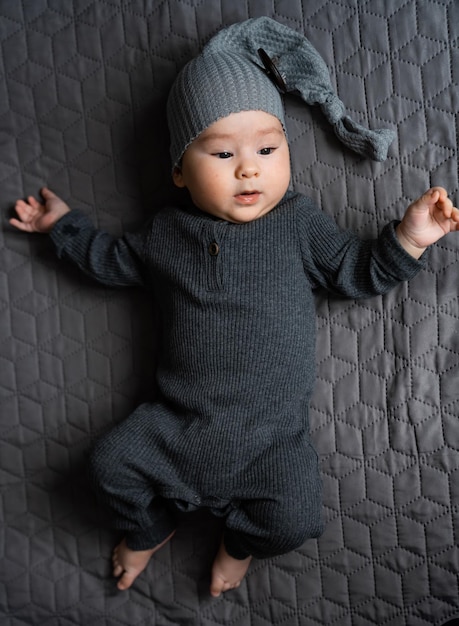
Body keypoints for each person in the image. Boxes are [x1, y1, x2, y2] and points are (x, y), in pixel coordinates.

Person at [9, 18, 459, 599]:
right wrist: (61, 227)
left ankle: (238, 544)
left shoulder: (296, 223)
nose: (249, 168)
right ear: (178, 170)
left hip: (272, 441)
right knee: (106, 467)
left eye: (267, 149)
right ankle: (150, 526)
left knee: (294, 521)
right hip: (175, 426)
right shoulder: (167, 233)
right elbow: (110, 260)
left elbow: (357, 272)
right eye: (221, 153)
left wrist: (412, 236)